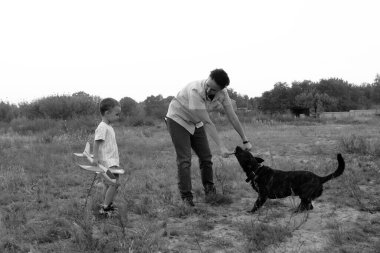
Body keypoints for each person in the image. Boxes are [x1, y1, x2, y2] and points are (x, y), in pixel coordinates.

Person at [165, 68, 252, 206]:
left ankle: (210, 193)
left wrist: (245, 139)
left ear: (221, 89)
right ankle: (187, 198)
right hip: (178, 119)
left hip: (195, 121)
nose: (208, 90)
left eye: (213, 89)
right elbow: (207, 122)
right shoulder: (195, 90)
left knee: (206, 157)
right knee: (185, 159)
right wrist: (222, 147)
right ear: (208, 78)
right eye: (208, 85)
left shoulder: (223, 93)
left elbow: (232, 117)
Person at [92, 97, 122, 215]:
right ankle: (105, 208)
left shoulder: (109, 127)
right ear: (107, 113)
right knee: (114, 184)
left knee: (108, 184)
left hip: (112, 161)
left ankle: (107, 204)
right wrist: (95, 158)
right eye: (116, 114)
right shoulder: (102, 127)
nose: (118, 117)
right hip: (107, 162)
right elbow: (96, 142)